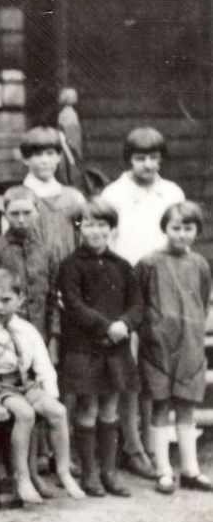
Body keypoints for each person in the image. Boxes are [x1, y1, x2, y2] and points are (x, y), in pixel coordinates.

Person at [100, 127, 185, 480]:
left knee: (156, 367)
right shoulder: (115, 193)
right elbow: (103, 235)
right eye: (140, 158)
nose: (147, 165)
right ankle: (131, 446)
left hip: (163, 284)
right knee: (129, 370)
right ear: (128, 159)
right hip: (126, 286)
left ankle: (155, 444)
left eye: (153, 158)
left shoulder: (172, 192)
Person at [0, 269, 85, 503]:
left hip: (27, 383)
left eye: (6, 300)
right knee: (25, 414)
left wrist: (51, 394)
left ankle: (63, 472)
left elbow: (43, 364)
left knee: (58, 412)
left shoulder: (27, 329)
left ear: (20, 299)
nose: (0, 307)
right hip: (2, 386)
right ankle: (22, 476)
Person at [59, 200, 141, 498]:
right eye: (89, 225)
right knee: (87, 406)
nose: (95, 231)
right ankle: (89, 472)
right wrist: (105, 326)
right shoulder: (70, 265)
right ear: (79, 228)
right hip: (85, 347)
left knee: (110, 407)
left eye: (102, 225)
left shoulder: (122, 265)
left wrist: (124, 324)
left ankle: (109, 472)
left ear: (111, 228)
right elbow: (73, 303)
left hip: (116, 348)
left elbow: (137, 305)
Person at [136, 201, 212, 494]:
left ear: (197, 230)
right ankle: (163, 470)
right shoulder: (149, 263)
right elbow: (139, 303)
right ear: (165, 228)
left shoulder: (200, 264)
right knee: (160, 405)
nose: (182, 235)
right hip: (158, 346)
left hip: (190, 345)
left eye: (188, 228)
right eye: (176, 228)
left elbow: (202, 302)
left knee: (186, 407)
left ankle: (190, 469)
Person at [0, 186, 59, 344]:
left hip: (40, 334)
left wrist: (54, 337)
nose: (21, 220)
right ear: (5, 215)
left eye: (27, 213)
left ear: (37, 212)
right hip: (4, 335)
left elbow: (53, 297)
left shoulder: (47, 251)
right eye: (14, 214)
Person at [19, 127, 85, 262]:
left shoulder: (73, 198)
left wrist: (76, 223)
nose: (45, 160)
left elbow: (79, 226)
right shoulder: (19, 198)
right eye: (38, 154)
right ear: (25, 159)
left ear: (59, 157)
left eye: (50, 154)